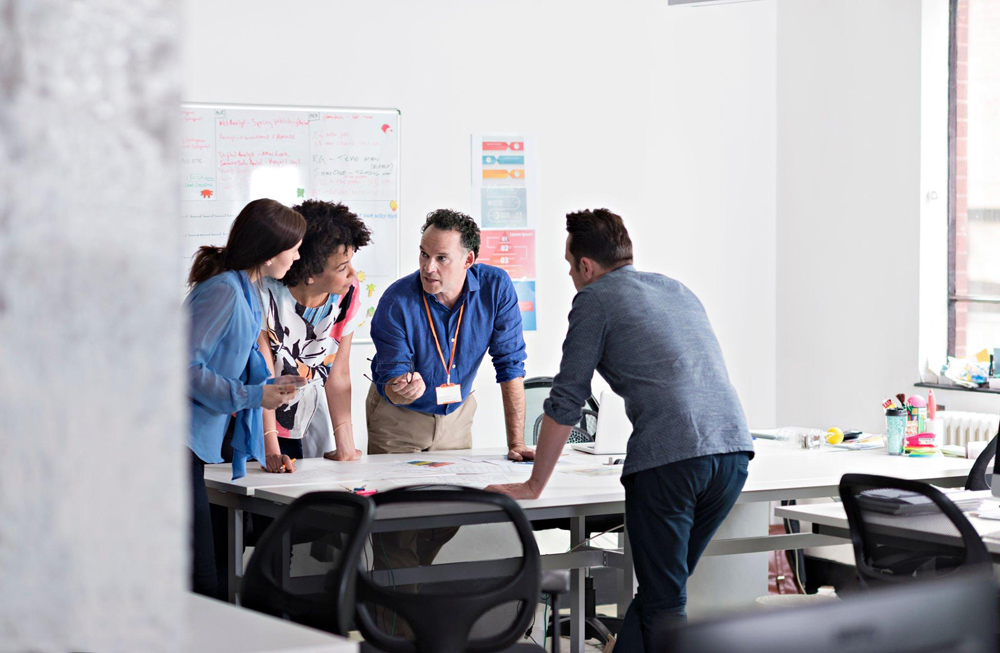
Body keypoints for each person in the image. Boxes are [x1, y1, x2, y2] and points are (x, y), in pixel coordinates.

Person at [487, 209, 754, 652]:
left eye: (571, 267)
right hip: (732, 454)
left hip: (671, 462)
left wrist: (535, 484)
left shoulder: (594, 299)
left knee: (664, 602)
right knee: (658, 592)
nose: (571, 276)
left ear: (586, 266)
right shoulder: (677, 289)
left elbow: (567, 397)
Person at [186, 198, 306, 598]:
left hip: (191, 444)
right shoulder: (224, 290)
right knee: (202, 578)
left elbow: (244, 361)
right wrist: (255, 394)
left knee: (208, 573)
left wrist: (275, 387)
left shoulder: (247, 289)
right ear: (270, 251)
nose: (298, 255)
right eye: (294, 247)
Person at [368, 209, 531, 460]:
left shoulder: (495, 288)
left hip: (457, 416)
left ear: (468, 261)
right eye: (424, 254)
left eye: (442, 258)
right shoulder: (396, 301)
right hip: (400, 419)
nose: (428, 267)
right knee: (400, 498)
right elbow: (392, 380)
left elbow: (510, 365)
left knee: (455, 495)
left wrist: (517, 443)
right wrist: (401, 387)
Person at [257, 200, 371, 461]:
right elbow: (263, 377)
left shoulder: (347, 295)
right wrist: (271, 450)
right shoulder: (264, 294)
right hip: (259, 420)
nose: (353, 274)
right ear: (309, 273)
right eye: (342, 268)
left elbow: (338, 373)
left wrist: (345, 445)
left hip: (307, 416)